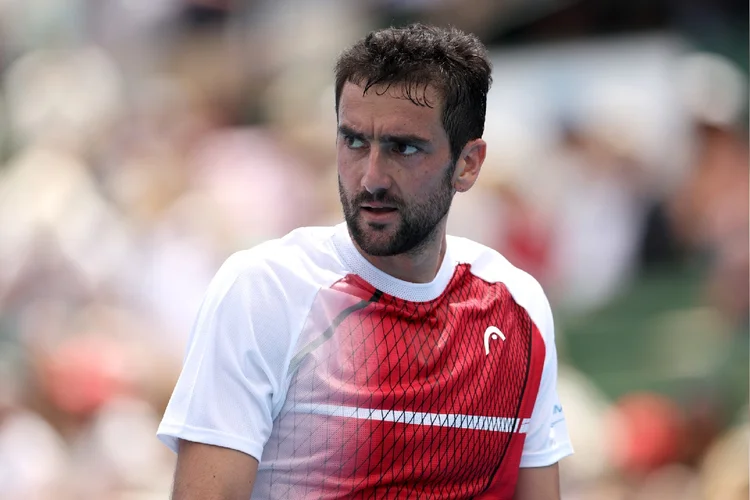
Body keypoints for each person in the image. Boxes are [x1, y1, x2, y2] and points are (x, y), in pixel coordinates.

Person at [157, 23, 573, 499]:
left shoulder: (520, 306)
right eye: (354, 142)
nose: (371, 177)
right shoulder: (263, 292)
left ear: (468, 164)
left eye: (404, 148)